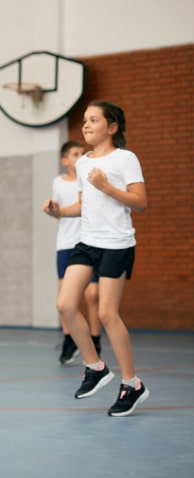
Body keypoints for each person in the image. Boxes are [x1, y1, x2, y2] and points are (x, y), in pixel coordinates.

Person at [44, 101, 149, 417]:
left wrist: (107, 187)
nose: (86, 125)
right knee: (65, 305)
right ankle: (96, 367)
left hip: (116, 244)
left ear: (112, 127)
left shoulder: (125, 159)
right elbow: (82, 204)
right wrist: (59, 212)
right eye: (85, 121)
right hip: (86, 242)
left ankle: (132, 384)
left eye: (94, 120)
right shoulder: (84, 163)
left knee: (106, 313)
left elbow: (140, 202)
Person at [41, 141, 101, 365]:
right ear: (64, 160)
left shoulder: (90, 179)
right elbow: (58, 211)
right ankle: (69, 339)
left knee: (92, 295)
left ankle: (95, 339)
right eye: (74, 154)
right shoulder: (58, 182)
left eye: (82, 153)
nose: (79, 156)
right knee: (65, 297)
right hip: (65, 243)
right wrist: (53, 210)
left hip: (87, 242)